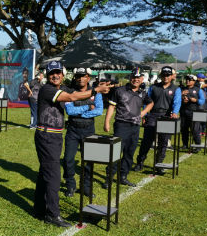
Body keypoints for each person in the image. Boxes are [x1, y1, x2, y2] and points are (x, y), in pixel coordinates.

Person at [33, 61, 110, 227]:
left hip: (54, 136)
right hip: (47, 135)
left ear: (63, 74)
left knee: (44, 173)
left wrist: (98, 88)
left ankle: (39, 209)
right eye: (52, 73)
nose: (55, 75)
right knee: (53, 176)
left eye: (58, 72)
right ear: (47, 75)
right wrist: (96, 90)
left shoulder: (62, 88)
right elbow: (73, 97)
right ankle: (52, 215)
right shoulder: (48, 89)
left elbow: (78, 92)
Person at [103, 68, 154, 188]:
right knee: (115, 152)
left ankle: (123, 177)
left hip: (135, 126)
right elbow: (111, 107)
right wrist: (107, 122)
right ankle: (109, 178)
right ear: (130, 78)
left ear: (142, 79)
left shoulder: (142, 93)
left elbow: (151, 103)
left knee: (129, 152)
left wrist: (143, 113)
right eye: (134, 77)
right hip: (121, 125)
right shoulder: (119, 90)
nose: (136, 80)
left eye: (138, 78)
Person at [133, 66, 181, 175]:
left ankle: (159, 164)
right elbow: (147, 101)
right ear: (161, 76)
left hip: (167, 117)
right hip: (153, 115)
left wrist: (175, 112)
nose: (165, 77)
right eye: (164, 75)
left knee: (163, 142)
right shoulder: (153, 87)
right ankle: (139, 163)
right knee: (146, 141)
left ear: (171, 77)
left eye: (168, 75)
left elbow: (177, 102)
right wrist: (145, 115)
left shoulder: (176, 89)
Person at [62, 67, 103, 197]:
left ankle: (86, 187)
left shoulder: (96, 93)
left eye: (83, 76)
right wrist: (87, 107)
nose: (80, 79)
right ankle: (70, 185)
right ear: (75, 77)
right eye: (78, 76)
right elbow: (69, 111)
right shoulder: (69, 93)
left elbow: (99, 111)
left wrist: (81, 113)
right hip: (73, 130)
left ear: (88, 78)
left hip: (89, 130)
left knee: (88, 161)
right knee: (68, 159)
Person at [180, 74, 205, 152]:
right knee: (184, 129)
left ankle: (197, 145)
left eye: (189, 80)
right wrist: (182, 97)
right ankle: (185, 145)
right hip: (184, 111)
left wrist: (196, 100)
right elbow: (176, 99)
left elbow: (202, 101)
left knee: (195, 130)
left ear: (194, 81)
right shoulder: (181, 89)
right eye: (187, 79)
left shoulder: (198, 90)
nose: (187, 81)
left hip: (194, 112)